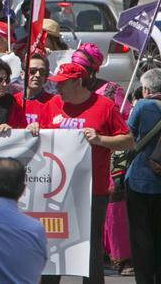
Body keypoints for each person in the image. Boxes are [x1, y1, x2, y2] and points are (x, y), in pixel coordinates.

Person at [39, 61, 133, 284]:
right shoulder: (52, 105)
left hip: (93, 192)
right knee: (52, 248)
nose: (57, 89)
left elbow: (128, 141)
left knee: (89, 250)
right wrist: (34, 130)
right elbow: (39, 141)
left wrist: (101, 139)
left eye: (62, 84)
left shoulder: (105, 106)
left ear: (78, 82)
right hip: (55, 192)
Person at [125, 68, 161, 284]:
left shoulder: (143, 106)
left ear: (146, 89)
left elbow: (127, 137)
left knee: (141, 239)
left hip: (140, 179)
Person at [16, 53, 53, 126]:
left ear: (46, 77)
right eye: (32, 71)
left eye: (42, 72)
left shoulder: (53, 103)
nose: (37, 75)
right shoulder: (12, 101)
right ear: (22, 74)